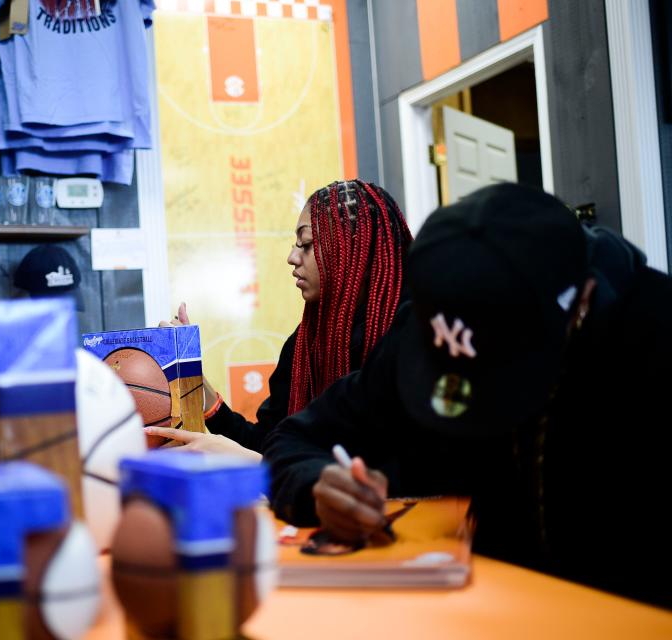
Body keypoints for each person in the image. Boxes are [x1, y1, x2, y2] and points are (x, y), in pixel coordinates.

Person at [265, 183, 672, 606]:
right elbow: (293, 439)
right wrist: (318, 487)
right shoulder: (425, 327)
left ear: (579, 304)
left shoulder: (652, 336)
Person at [148, 179, 412, 458]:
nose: (292, 257)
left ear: (353, 251)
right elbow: (267, 444)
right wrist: (195, 382)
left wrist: (252, 462)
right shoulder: (304, 345)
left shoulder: (413, 337)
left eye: (306, 244)